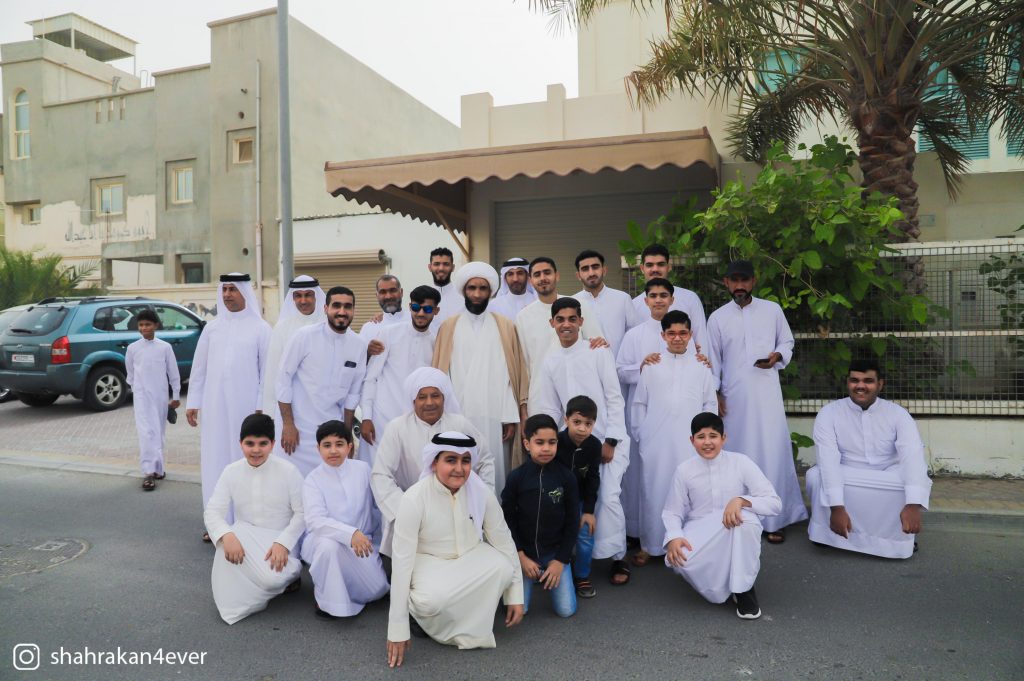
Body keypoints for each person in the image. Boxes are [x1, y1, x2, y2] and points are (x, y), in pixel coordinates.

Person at [386, 432, 524, 667]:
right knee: (432, 601)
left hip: (470, 556)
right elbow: (401, 562)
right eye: (451, 460)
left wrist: (515, 596)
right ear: (434, 463)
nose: (459, 469)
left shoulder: (480, 492)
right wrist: (397, 628)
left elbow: (504, 541)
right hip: (429, 561)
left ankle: (460, 616)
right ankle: (418, 616)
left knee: (503, 568)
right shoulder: (413, 498)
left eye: (465, 461)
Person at [531, 297, 630, 587]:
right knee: (572, 500)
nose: (566, 325)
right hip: (571, 444)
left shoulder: (597, 351)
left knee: (608, 497)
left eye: (572, 319)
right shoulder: (550, 362)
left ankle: (618, 557)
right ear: (552, 323)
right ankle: (574, 558)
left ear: (581, 322)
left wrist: (611, 439)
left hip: (607, 438)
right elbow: (551, 408)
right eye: (560, 320)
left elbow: (614, 398)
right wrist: (545, 442)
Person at [707, 260, 808, 542]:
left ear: (753, 281)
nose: (739, 286)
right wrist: (715, 393)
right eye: (734, 280)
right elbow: (713, 360)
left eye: (745, 280)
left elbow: (787, 342)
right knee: (738, 453)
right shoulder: (717, 318)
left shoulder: (772, 310)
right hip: (734, 398)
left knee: (771, 451)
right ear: (726, 283)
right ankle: (738, 517)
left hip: (767, 395)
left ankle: (774, 520)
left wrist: (777, 356)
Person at [806, 358, 931, 559]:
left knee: (915, 478)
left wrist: (913, 504)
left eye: (868, 381)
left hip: (887, 472)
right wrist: (836, 508)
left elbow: (912, 456)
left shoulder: (898, 414)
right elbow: (828, 460)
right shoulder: (829, 413)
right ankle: (828, 535)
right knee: (816, 476)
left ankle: (896, 540)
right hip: (847, 470)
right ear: (847, 382)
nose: (860, 386)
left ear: (880, 384)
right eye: (854, 380)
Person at [663, 412, 782, 620]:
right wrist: (673, 537)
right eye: (701, 437)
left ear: (723, 438)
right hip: (702, 529)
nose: (707, 442)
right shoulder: (684, 470)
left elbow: (774, 503)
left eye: (713, 436)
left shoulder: (741, 462)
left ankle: (743, 589)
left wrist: (742, 500)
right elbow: (672, 511)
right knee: (681, 559)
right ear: (692, 440)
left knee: (745, 519)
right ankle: (725, 583)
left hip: (736, 525)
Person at [371, 367, 495, 556]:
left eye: (435, 395)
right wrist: (406, 510)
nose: (429, 402)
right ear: (413, 400)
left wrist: (481, 499)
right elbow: (380, 475)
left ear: (444, 398)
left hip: (457, 510)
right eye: (422, 397)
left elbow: (485, 460)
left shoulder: (459, 424)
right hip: (411, 516)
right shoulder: (397, 428)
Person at [187, 273, 272, 541]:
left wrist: (260, 406)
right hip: (214, 408)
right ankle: (217, 523)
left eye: (233, 290)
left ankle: (246, 523)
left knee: (244, 461)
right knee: (215, 460)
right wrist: (193, 402)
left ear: (244, 292)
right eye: (224, 290)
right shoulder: (212, 329)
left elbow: (266, 372)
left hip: (247, 409)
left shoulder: (261, 328)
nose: (227, 295)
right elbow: (199, 369)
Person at [432, 261, 530, 491]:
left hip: (494, 414)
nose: (477, 294)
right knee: (457, 467)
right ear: (464, 291)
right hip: (458, 413)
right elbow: (441, 374)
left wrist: (509, 416)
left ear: (491, 291)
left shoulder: (505, 326)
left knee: (494, 470)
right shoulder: (448, 327)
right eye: (472, 288)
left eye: (483, 288)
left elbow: (511, 374)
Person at [630, 310, 717, 563]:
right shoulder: (652, 365)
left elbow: (709, 404)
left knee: (691, 492)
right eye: (671, 333)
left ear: (690, 335)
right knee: (654, 490)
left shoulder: (701, 366)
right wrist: (642, 434)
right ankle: (650, 545)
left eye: (682, 333)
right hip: (656, 443)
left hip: (691, 443)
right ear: (663, 335)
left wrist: (706, 439)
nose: (677, 338)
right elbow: (639, 404)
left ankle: (690, 545)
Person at [204, 413, 305, 625]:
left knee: (271, 580)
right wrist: (226, 535)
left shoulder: (289, 471)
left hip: (279, 541)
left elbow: (302, 514)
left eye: (262, 444)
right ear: (240, 443)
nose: (256, 450)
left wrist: (283, 543)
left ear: (272, 444)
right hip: (244, 536)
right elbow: (212, 511)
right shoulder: (231, 471)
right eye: (249, 443)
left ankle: (293, 574)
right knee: (226, 544)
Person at [277, 286, 367, 478]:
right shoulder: (304, 336)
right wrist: (288, 425)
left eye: (347, 306)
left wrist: (346, 434)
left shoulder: (358, 345)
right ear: (326, 308)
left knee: (330, 485)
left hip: (331, 434)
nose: (342, 311)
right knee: (294, 485)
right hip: (298, 432)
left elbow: (353, 394)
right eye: (336, 306)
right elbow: (283, 378)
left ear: (353, 310)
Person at [302, 420, 389, 619]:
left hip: (362, 543)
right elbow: (316, 521)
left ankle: (343, 587)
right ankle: (327, 600)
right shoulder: (312, 480)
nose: (333, 450)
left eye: (339, 444)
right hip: (323, 540)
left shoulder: (363, 469)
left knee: (377, 590)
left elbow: (379, 504)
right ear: (318, 449)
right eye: (327, 445)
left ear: (349, 447)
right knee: (328, 547)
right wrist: (350, 534)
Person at [616, 277, 675, 556]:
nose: (659, 300)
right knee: (641, 476)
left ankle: (674, 534)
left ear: (672, 299)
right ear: (646, 300)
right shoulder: (635, 335)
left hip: (675, 418)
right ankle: (640, 533)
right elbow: (620, 370)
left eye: (664, 295)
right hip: (643, 414)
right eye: (653, 295)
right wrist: (640, 366)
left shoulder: (681, 332)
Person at [501, 414, 579, 618]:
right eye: (539, 442)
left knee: (566, 610)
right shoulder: (516, 478)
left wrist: (560, 560)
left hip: (555, 554)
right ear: (527, 444)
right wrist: (520, 556)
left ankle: (552, 573)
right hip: (523, 554)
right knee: (521, 609)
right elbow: (507, 519)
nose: (546, 448)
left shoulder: (566, 478)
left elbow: (573, 522)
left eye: (552, 442)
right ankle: (525, 577)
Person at [359, 285, 439, 465]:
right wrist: (366, 417)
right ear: (410, 307)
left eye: (427, 309)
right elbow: (371, 378)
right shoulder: (389, 333)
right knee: (378, 469)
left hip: (415, 422)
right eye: (416, 308)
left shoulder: (436, 341)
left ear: (436, 311)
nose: (420, 313)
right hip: (381, 420)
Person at [514, 257, 605, 410]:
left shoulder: (579, 306)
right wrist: (523, 407)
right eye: (537, 275)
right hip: (540, 398)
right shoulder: (523, 317)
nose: (543, 278)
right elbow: (522, 367)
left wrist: (600, 342)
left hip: (579, 394)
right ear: (530, 280)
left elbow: (597, 345)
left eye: (547, 272)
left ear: (557, 275)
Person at [125, 308, 181, 492]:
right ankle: (148, 472)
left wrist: (176, 396)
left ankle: (158, 469)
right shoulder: (133, 348)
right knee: (146, 433)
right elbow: (130, 375)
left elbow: (173, 373)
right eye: (141, 325)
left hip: (160, 397)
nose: (144, 328)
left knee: (158, 432)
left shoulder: (164, 347)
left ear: (156, 325)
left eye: (148, 324)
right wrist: (137, 391)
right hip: (141, 398)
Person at [555, 396, 602, 598]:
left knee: (585, 535)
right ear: (566, 420)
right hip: (556, 499)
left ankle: (582, 575)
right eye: (577, 422)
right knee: (553, 533)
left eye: (588, 424)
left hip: (581, 500)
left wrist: (589, 511)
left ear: (594, 424)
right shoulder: (556, 442)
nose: (582, 429)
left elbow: (593, 478)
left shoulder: (594, 445)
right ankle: (550, 565)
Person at [261, 275, 326, 422]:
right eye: (298, 296)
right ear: (293, 298)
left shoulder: (328, 324)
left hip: (323, 405)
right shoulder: (282, 328)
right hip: (291, 407)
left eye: (308, 295)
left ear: (316, 296)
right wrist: (270, 412)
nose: (303, 301)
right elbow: (273, 372)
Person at [630, 244, 708, 350]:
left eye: (660, 264)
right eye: (649, 265)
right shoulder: (634, 305)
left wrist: (701, 358)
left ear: (669, 267)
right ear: (642, 268)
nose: (655, 269)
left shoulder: (690, 298)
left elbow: (701, 340)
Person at [573, 249, 640, 357]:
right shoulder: (572, 303)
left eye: (595, 267)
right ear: (578, 275)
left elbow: (635, 335)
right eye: (585, 269)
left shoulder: (622, 299)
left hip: (618, 365)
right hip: (585, 365)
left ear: (604, 270)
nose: (591, 273)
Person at [360, 274, 409, 349]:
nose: (388, 296)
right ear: (377, 296)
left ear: (401, 292)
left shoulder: (415, 320)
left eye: (393, 290)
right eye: (383, 292)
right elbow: (360, 354)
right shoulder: (369, 328)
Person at [490, 256, 537, 321]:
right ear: (505, 278)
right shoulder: (494, 305)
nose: (515, 279)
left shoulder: (537, 302)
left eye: (520, 273)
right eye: (510, 274)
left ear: (527, 276)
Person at [427, 247, 463, 325]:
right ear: (430, 267)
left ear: (453, 267)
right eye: (436, 264)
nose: (441, 268)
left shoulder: (463, 297)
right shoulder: (423, 296)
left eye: (446, 264)